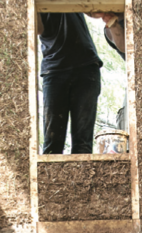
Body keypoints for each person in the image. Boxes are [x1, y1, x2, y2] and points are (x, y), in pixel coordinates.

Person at [37, 12, 103, 154]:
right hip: (54, 69)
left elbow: (95, 9)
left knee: (83, 145)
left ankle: (83, 176)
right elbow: (36, 29)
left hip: (86, 65)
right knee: (52, 144)